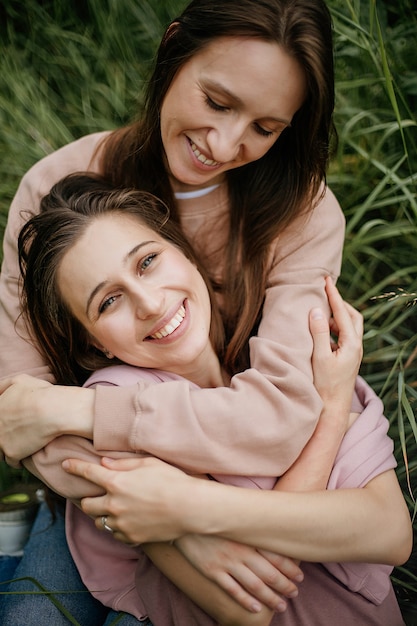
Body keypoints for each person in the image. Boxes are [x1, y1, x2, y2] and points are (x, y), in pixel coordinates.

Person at [0, 0, 407, 623]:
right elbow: (20, 415)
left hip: (273, 482)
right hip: (102, 490)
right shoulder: (54, 190)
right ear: (173, 51)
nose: (224, 144)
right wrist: (172, 526)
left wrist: (82, 407)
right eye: (217, 102)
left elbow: (279, 417)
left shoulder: (303, 212)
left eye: (265, 128)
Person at [11, 174, 410, 626]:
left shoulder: (284, 364)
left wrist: (188, 504)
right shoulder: (117, 401)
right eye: (108, 302)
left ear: (186, 254)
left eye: (147, 262)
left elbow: (391, 531)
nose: (149, 302)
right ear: (95, 343)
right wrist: (332, 415)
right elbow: (248, 606)